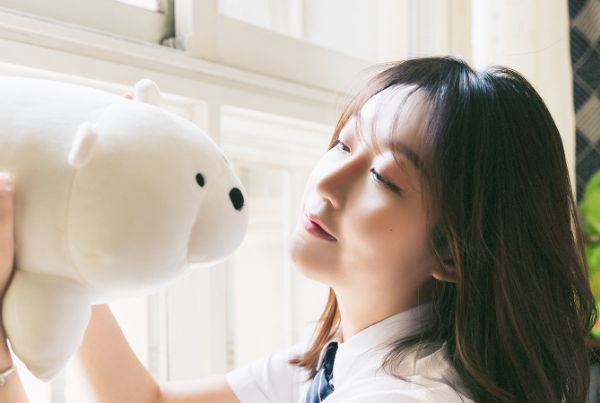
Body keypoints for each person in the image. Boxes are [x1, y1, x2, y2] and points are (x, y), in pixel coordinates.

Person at [0, 55, 596, 403]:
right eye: (343, 143)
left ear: (451, 251)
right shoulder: (338, 362)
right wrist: (67, 233)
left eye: (383, 178)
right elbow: (143, 401)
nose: (328, 181)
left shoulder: (405, 394)